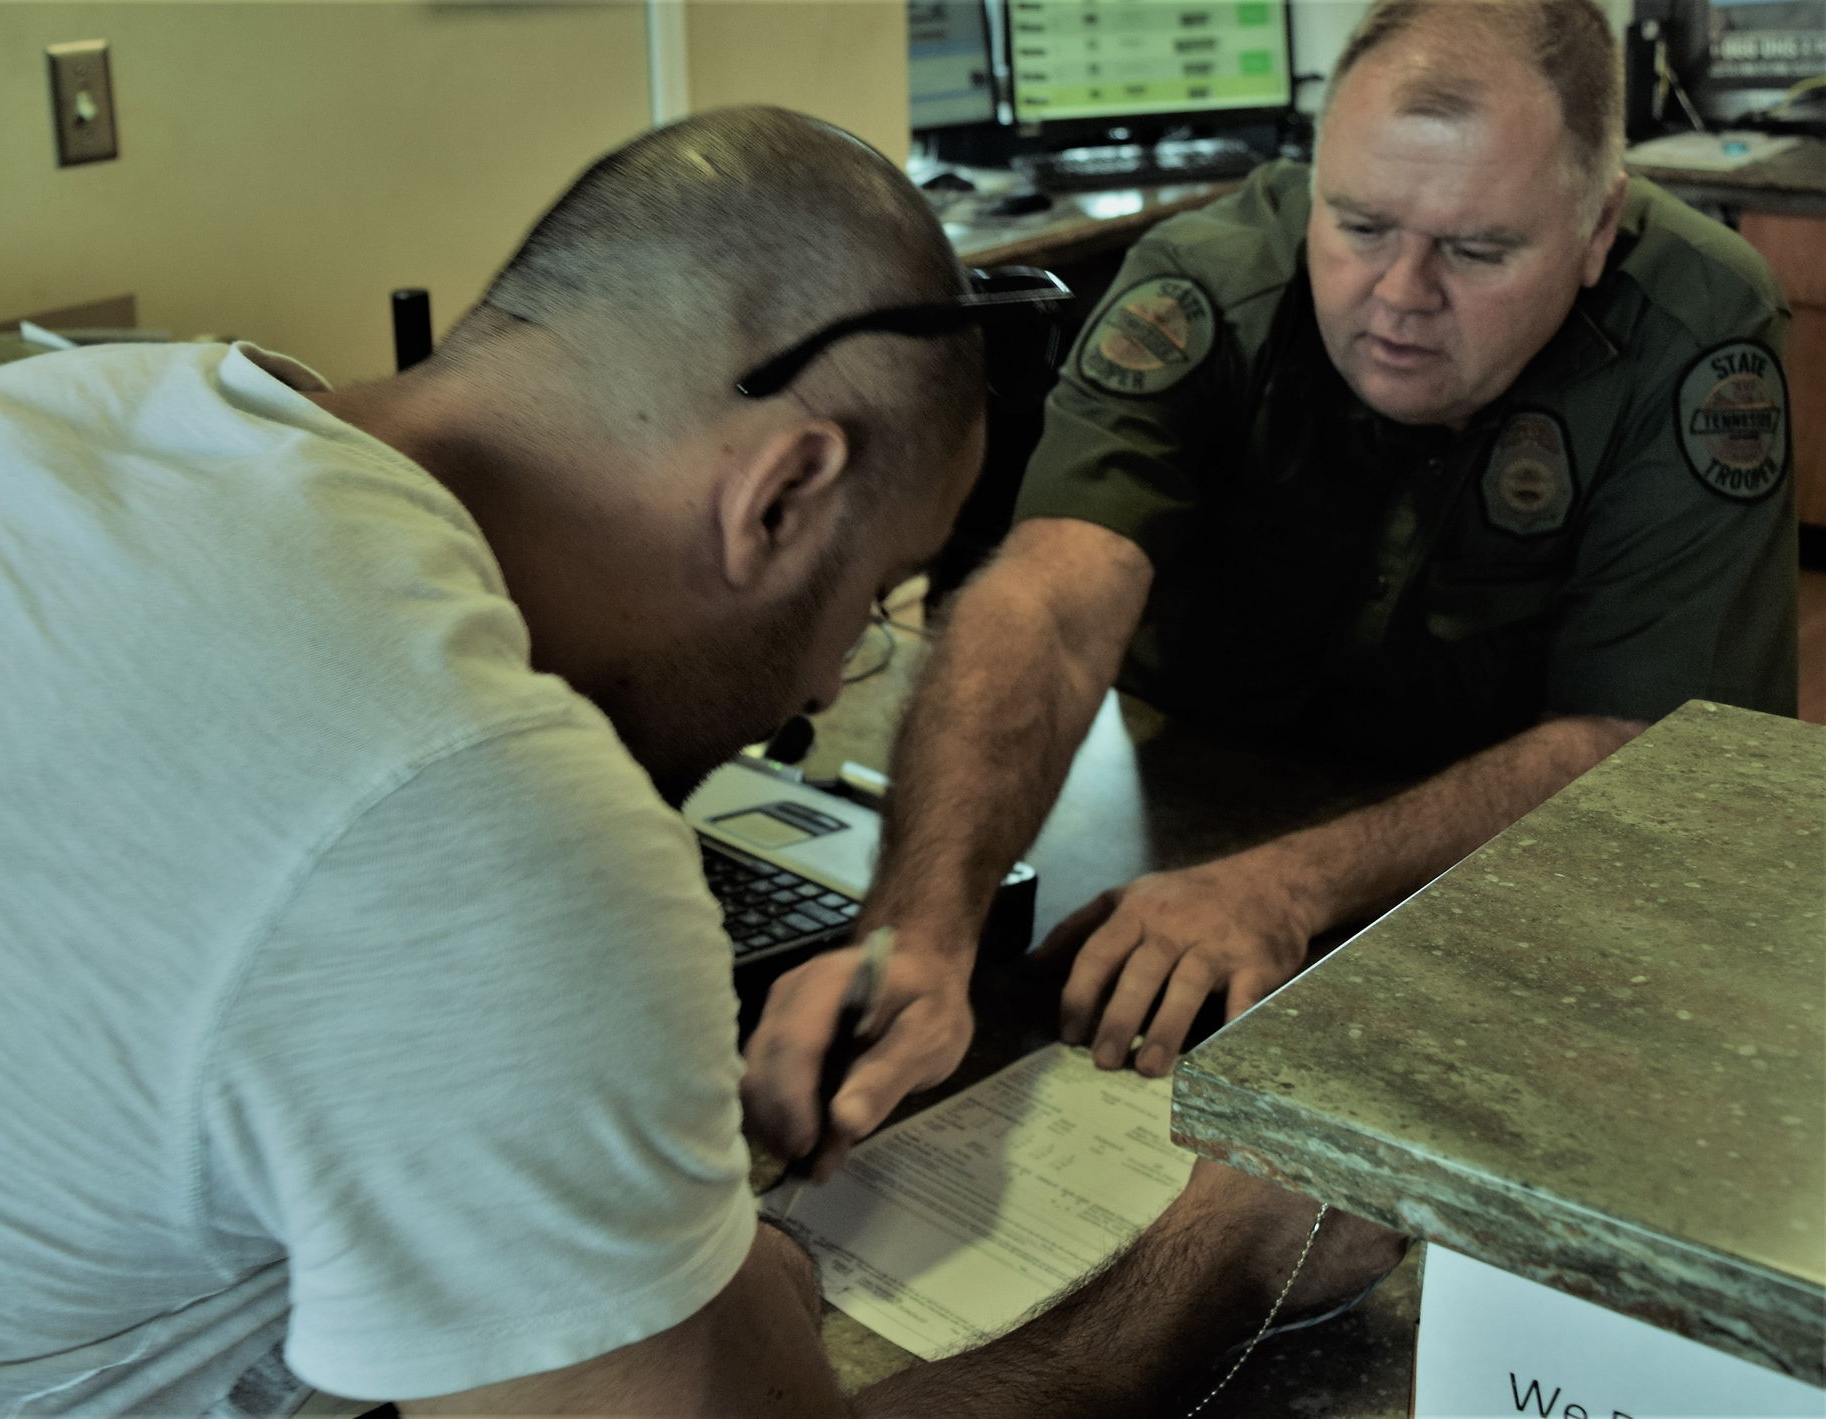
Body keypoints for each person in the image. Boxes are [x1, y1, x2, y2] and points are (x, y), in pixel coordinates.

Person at [0, 107, 1401, 1418]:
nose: (831, 678)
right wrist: (1226, 1253)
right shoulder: (484, 814)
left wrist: (656, 1270)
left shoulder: (35, 416)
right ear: (782, 491)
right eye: (872, 595)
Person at [742, 0, 1800, 1177]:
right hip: (1189, 789)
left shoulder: (1697, 323)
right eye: (1357, 223)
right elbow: (1046, 597)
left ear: (1598, 226)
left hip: (1512, 867)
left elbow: (1643, 742)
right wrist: (922, 935)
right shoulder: (1205, 281)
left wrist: (1293, 885)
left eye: (1477, 249)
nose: (1399, 294)